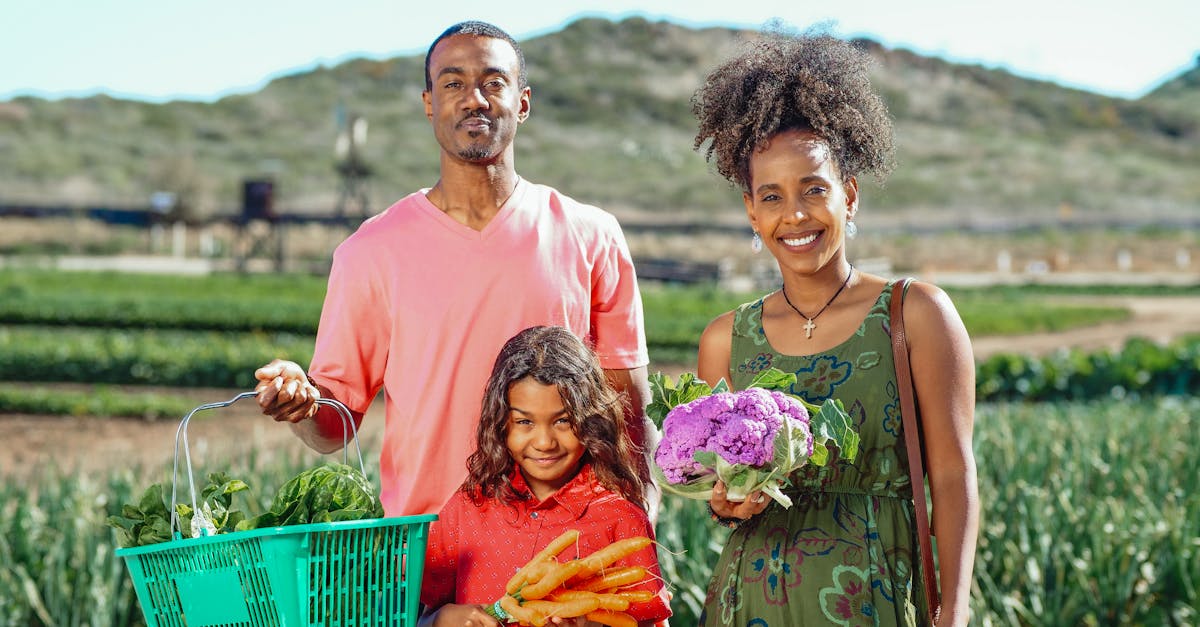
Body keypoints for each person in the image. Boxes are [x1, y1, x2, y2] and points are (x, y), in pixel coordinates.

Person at [252, 21, 654, 518]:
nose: (474, 100)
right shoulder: (371, 251)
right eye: (453, 84)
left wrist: (641, 525)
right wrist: (306, 404)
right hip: (428, 554)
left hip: (561, 552)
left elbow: (629, 416)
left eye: (492, 82)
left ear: (522, 103)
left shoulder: (592, 235)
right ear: (429, 104)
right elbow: (335, 428)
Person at [689, 28, 979, 626]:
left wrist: (955, 608)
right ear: (751, 210)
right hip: (751, 603)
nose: (794, 215)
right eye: (771, 196)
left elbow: (952, 474)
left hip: (878, 599)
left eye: (813, 190)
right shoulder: (725, 339)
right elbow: (721, 496)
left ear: (849, 196)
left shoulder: (915, 314)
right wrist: (723, 503)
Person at [418, 325, 672, 627]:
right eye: (524, 422)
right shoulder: (467, 507)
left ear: (591, 420)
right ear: (500, 423)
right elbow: (414, 611)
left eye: (563, 421)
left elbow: (651, 621)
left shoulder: (621, 519)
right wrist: (439, 620)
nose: (544, 442)